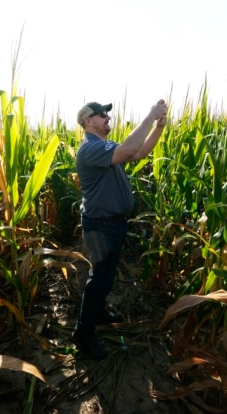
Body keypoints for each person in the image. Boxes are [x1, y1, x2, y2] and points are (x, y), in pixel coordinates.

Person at [73, 99, 168, 360]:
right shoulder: (90, 149)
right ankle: (83, 332)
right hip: (100, 225)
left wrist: (158, 128)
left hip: (112, 224)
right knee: (99, 278)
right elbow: (128, 151)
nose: (107, 117)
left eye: (107, 114)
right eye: (101, 114)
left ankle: (99, 311)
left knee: (106, 274)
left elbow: (138, 153)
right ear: (87, 121)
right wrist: (150, 113)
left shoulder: (105, 147)